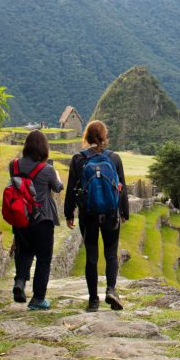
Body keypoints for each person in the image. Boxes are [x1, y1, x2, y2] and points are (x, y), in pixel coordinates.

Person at [64, 120, 128, 312]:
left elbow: (71, 189)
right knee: (111, 254)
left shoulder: (78, 159)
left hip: (88, 214)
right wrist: (124, 212)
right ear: (104, 137)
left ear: (86, 137)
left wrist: (69, 213)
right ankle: (111, 289)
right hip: (110, 214)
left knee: (91, 256)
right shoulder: (114, 158)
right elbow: (121, 188)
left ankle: (93, 300)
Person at [11, 130, 64, 310]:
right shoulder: (47, 169)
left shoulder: (14, 166)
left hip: (20, 218)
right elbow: (58, 188)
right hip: (42, 219)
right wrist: (55, 174)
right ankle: (38, 299)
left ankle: (19, 281)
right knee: (43, 258)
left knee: (24, 252)